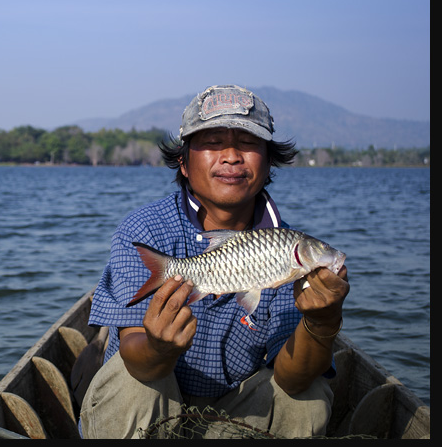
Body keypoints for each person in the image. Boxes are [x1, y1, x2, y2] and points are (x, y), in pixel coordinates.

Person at [79, 85, 349, 439]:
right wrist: (159, 349)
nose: (232, 156)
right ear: (184, 162)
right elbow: (135, 356)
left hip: (235, 413)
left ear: (269, 163)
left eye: (249, 143)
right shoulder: (143, 228)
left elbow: (292, 379)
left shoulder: (286, 248)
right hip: (154, 396)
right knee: (130, 384)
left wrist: (323, 320)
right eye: (212, 141)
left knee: (308, 397)